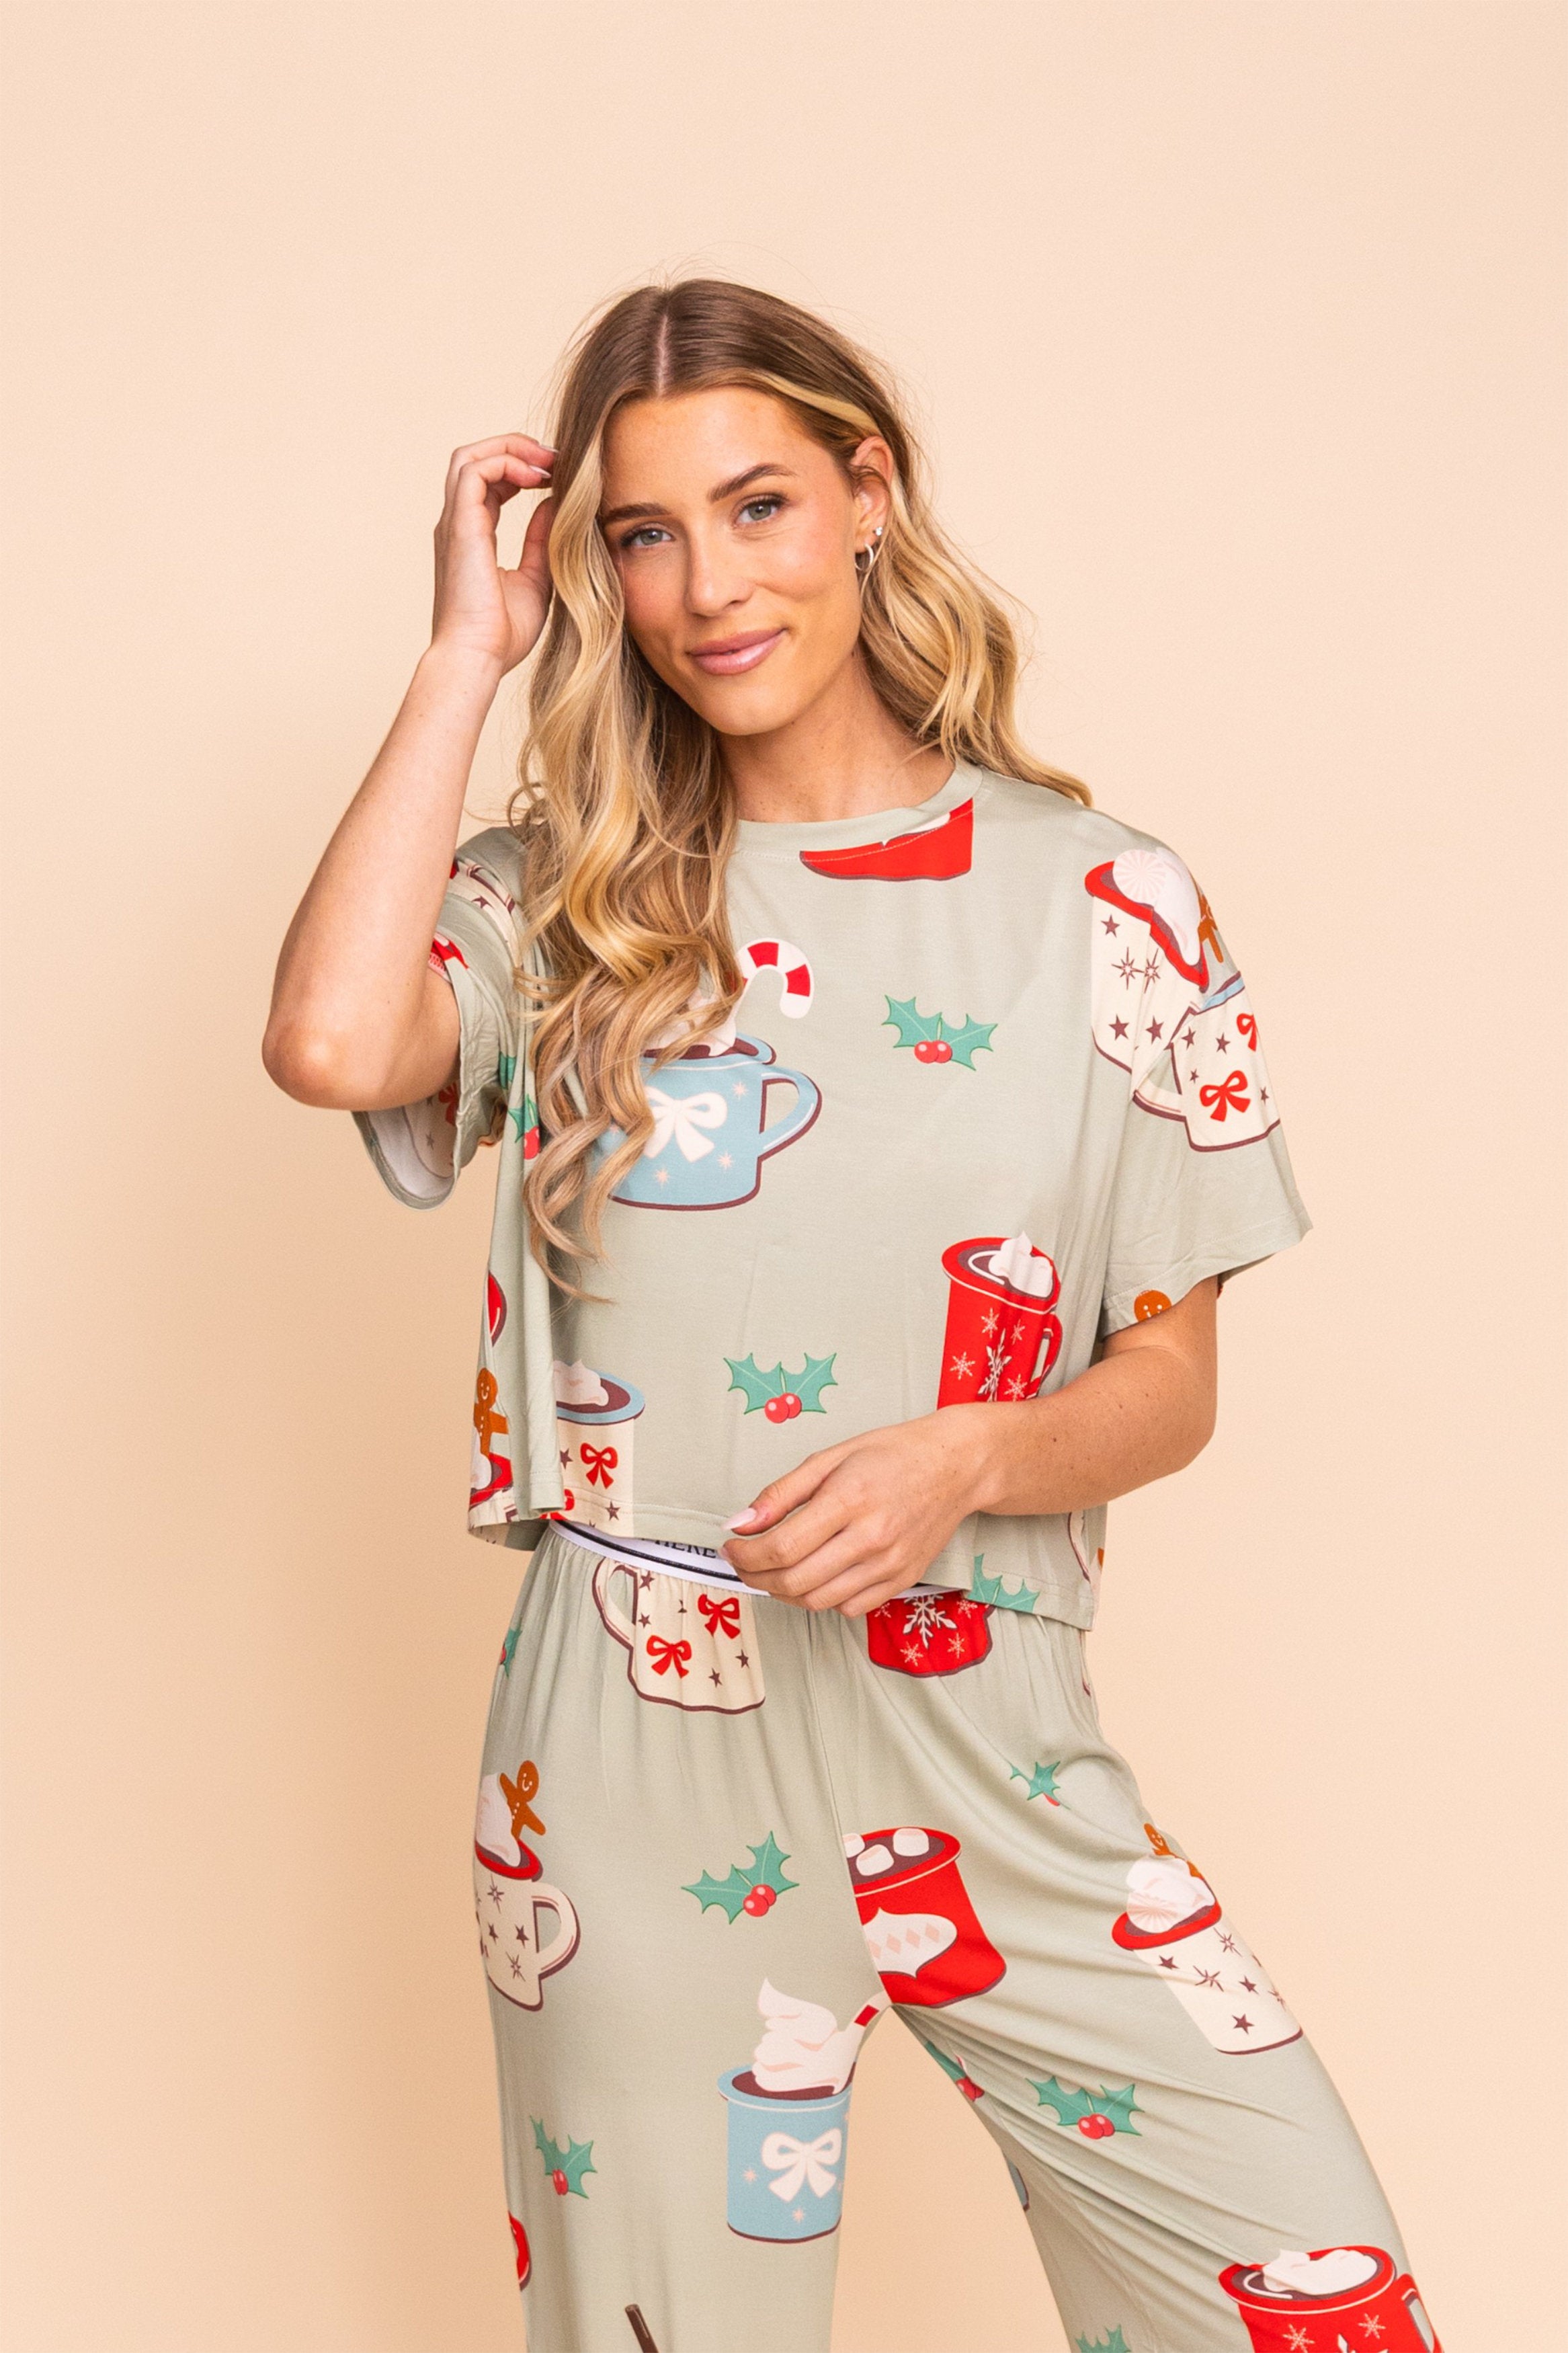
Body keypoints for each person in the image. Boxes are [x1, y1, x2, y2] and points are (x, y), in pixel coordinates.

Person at [263, 280, 1440, 2353]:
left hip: (987, 1722)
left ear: (868, 493)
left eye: (760, 506)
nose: (710, 587)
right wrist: (464, 653)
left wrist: (974, 1454)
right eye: (646, 536)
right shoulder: (575, 905)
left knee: (1313, 2290)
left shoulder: (1105, 905)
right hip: (632, 1748)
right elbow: (336, 1040)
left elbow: (1171, 1382)